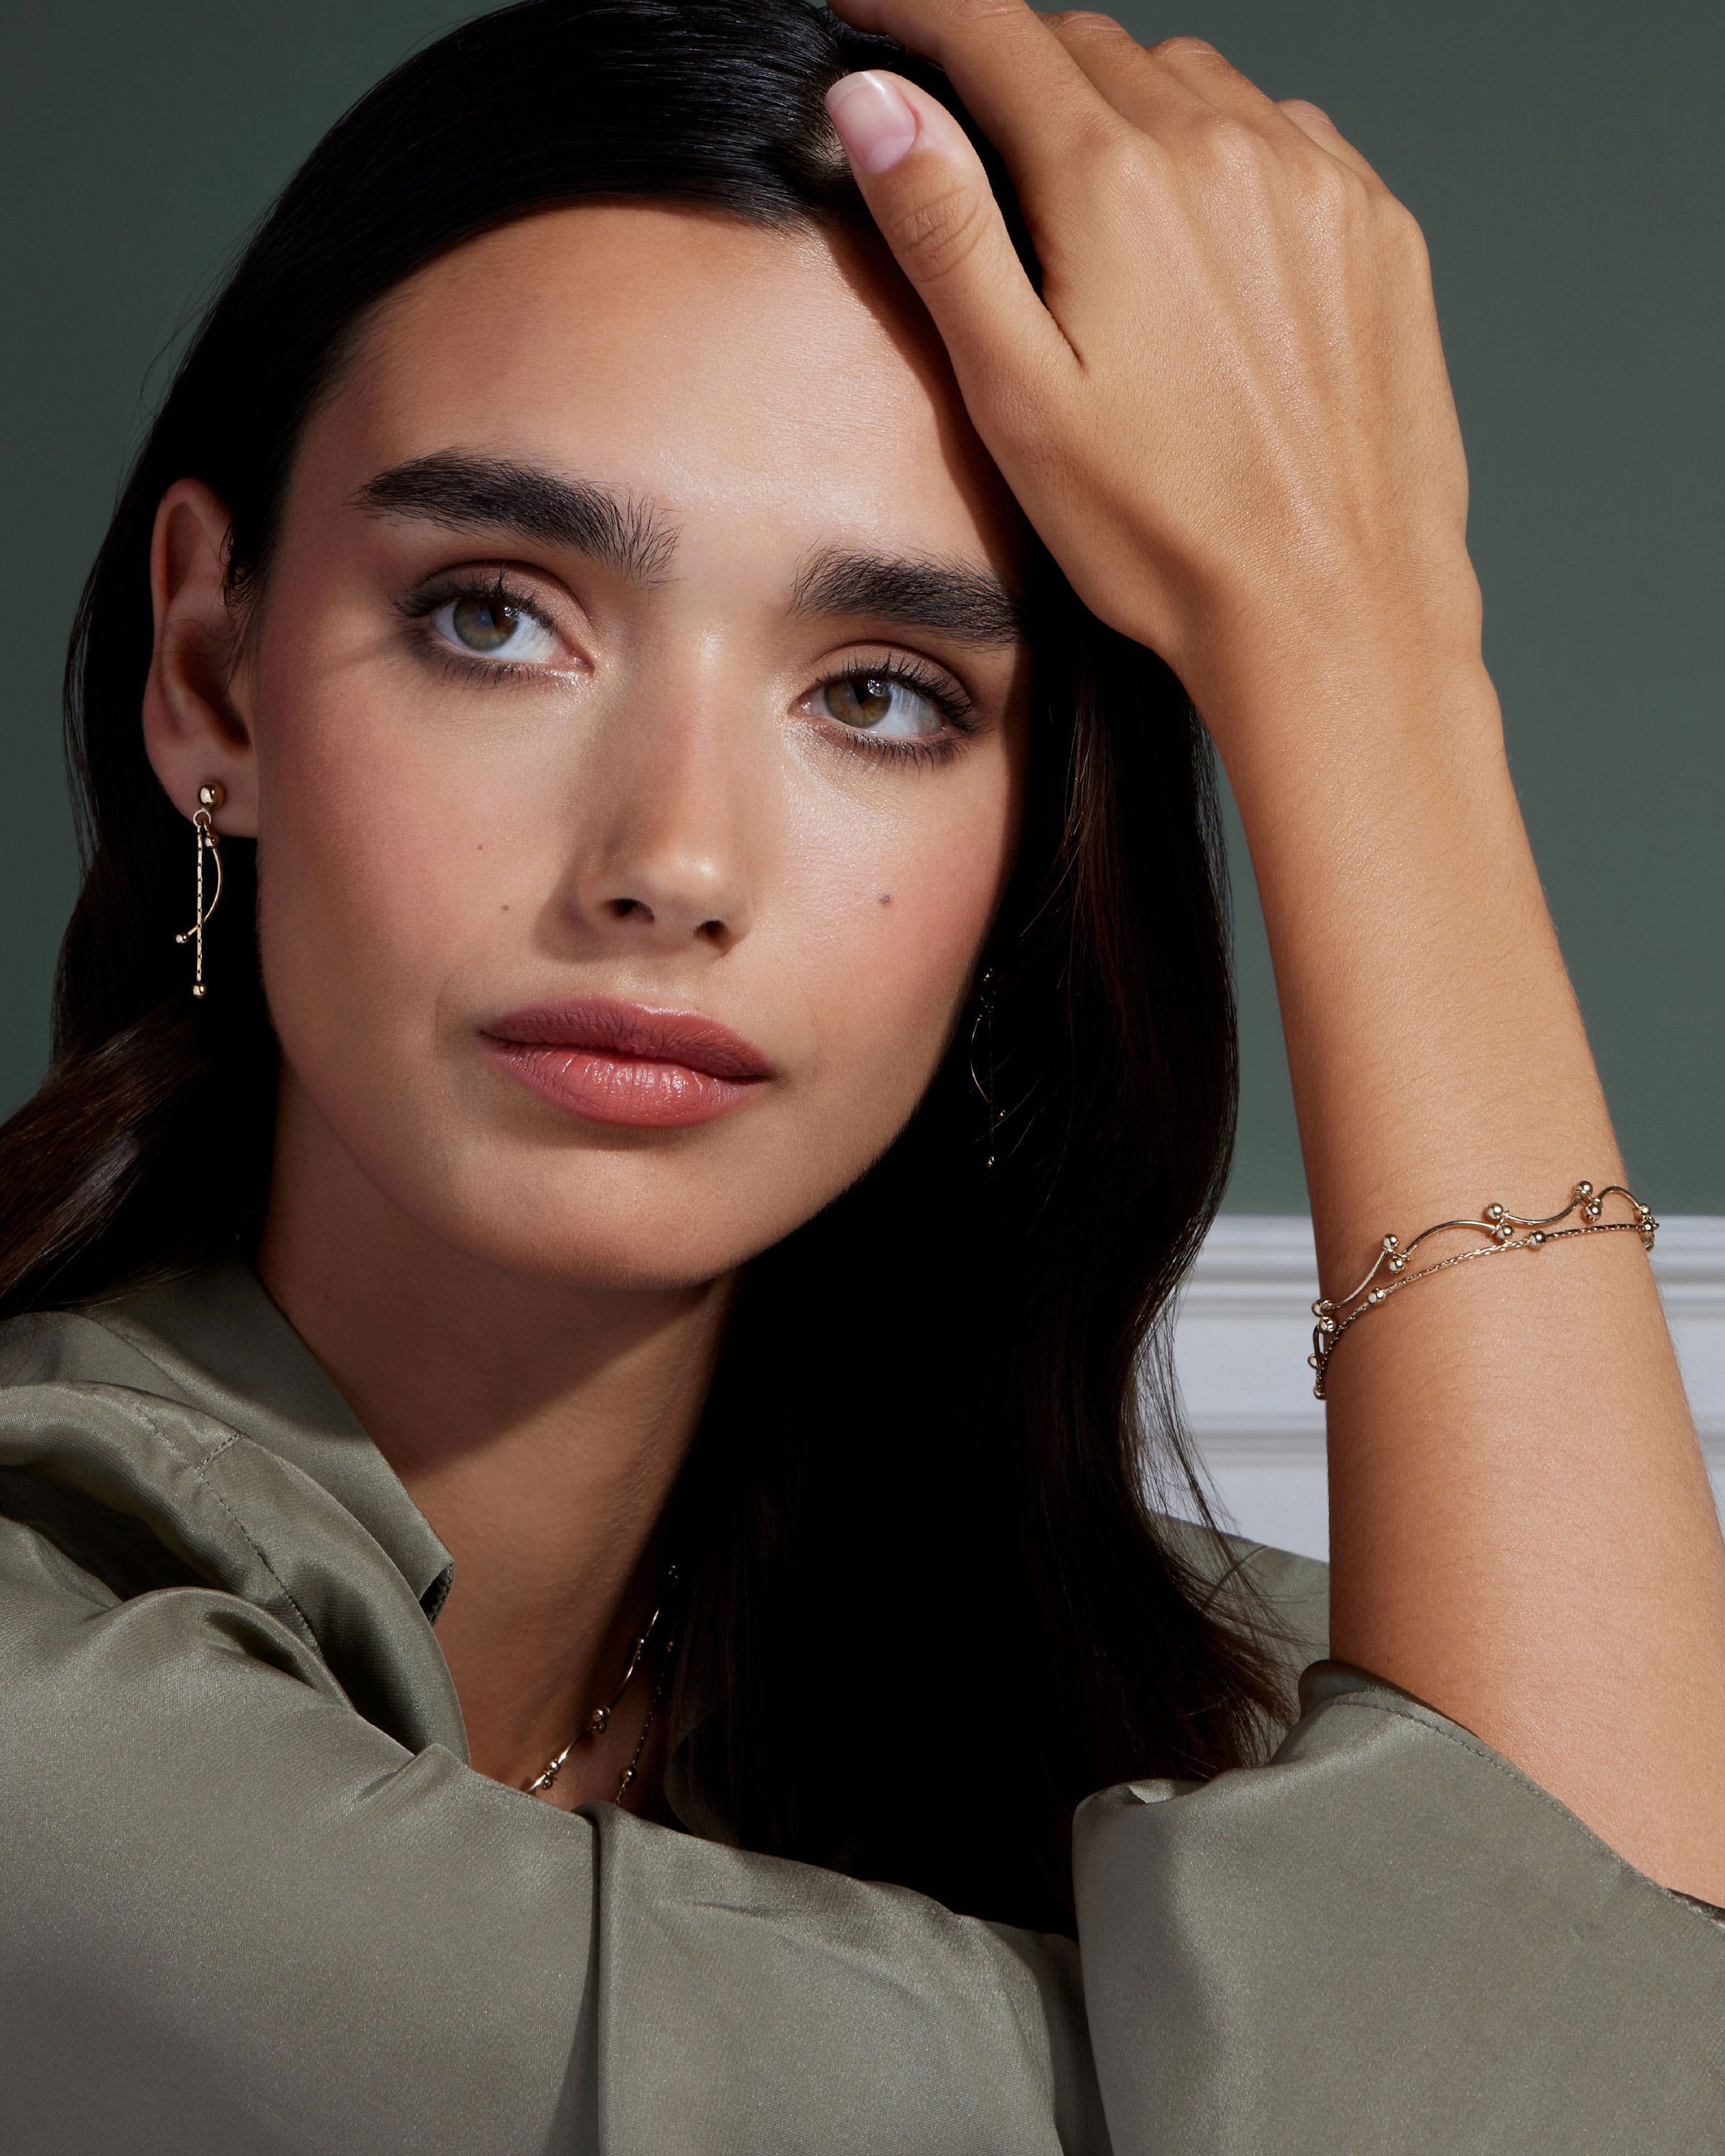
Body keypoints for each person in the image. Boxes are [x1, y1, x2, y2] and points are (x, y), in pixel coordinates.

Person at [1, 0, 1720, 2146]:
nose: (674, 863)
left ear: (1020, 852)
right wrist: (1353, 642)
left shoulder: (1112, 1664)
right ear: (209, 673)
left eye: (887, 693)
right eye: (495, 616)